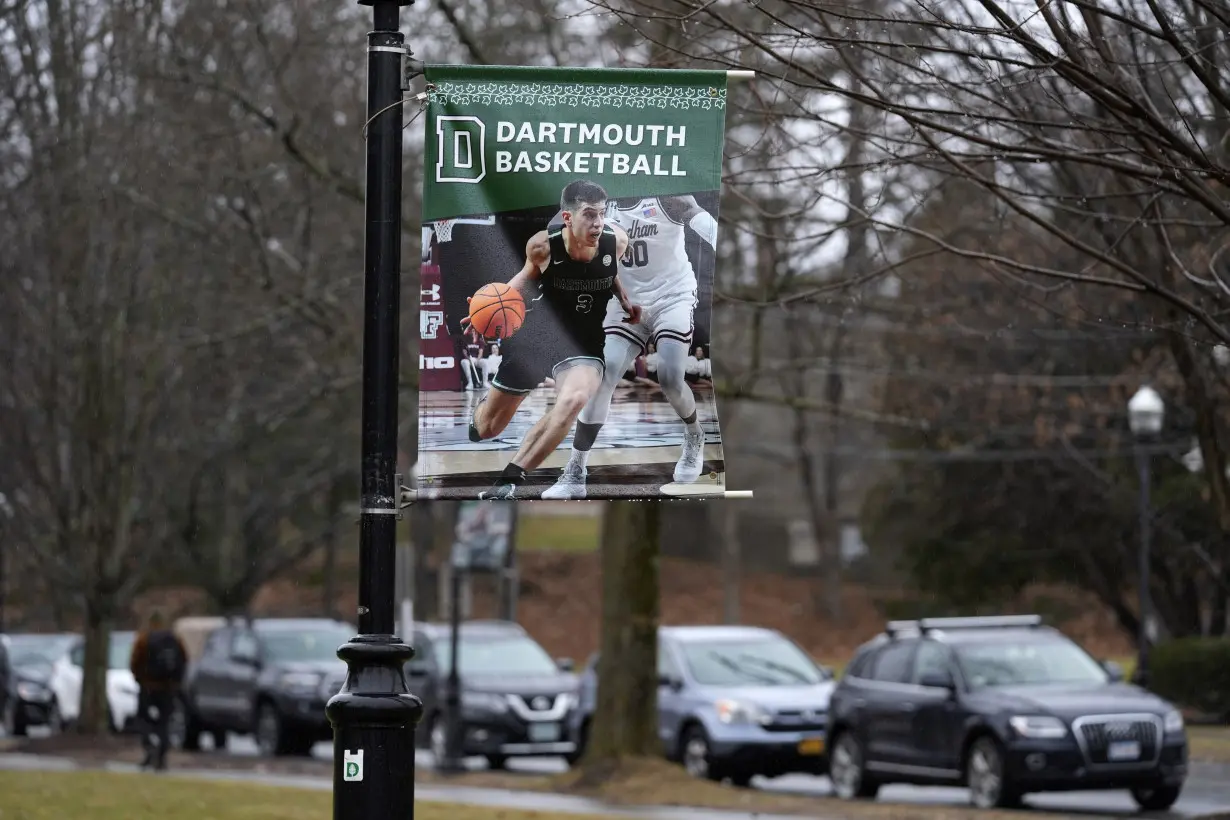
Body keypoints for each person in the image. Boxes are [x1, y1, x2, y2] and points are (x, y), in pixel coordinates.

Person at [466, 180, 639, 500]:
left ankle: (509, 481)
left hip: (583, 345)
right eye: (589, 215)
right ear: (568, 217)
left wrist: (624, 299)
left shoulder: (617, 242)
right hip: (538, 338)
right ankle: (480, 415)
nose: (598, 222)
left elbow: (610, 272)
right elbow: (519, 283)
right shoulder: (543, 247)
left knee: (573, 400)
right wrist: (482, 315)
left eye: (602, 214)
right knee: (488, 428)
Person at [542, 194, 719, 499]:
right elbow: (557, 226)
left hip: (671, 296)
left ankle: (694, 435)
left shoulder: (666, 196)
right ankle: (575, 472)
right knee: (603, 377)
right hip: (625, 300)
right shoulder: (598, 202)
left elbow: (697, 215)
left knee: (670, 377)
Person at [128, 611, 188, 771]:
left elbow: (135, 661)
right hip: (168, 688)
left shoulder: (144, 639)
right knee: (165, 722)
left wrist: (139, 678)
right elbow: (184, 660)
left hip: (148, 686)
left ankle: (149, 748)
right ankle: (162, 758)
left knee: (142, 719)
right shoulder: (175, 639)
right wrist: (176, 682)